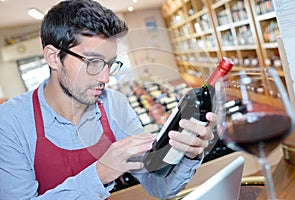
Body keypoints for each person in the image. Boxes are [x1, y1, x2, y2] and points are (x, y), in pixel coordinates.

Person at [0, 0, 215, 199]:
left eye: (109, 64)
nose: (105, 78)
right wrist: (100, 174)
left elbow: (158, 185)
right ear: (54, 57)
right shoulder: (10, 121)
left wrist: (186, 154)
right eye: (93, 62)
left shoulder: (115, 104)